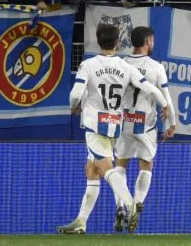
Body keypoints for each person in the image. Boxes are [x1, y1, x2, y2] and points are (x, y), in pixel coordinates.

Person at [58, 24, 169, 235]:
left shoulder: (88, 65)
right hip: (114, 123)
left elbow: (75, 93)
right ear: (118, 43)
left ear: (99, 42)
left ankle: (129, 204)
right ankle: (81, 221)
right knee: (92, 170)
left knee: (107, 168)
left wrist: (74, 106)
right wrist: (164, 104)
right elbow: (150, 88)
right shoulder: (126, 67)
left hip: (94, 124)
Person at [112, 26, 177, 231]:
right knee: (146, 166)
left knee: (120, 165)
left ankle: (121, 205)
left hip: (123, 122)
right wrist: (172, 123)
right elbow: (165, 98)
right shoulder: (156, 67)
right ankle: (137, 203)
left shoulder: (121, 64)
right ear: (148, 41)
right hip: (145, 124)